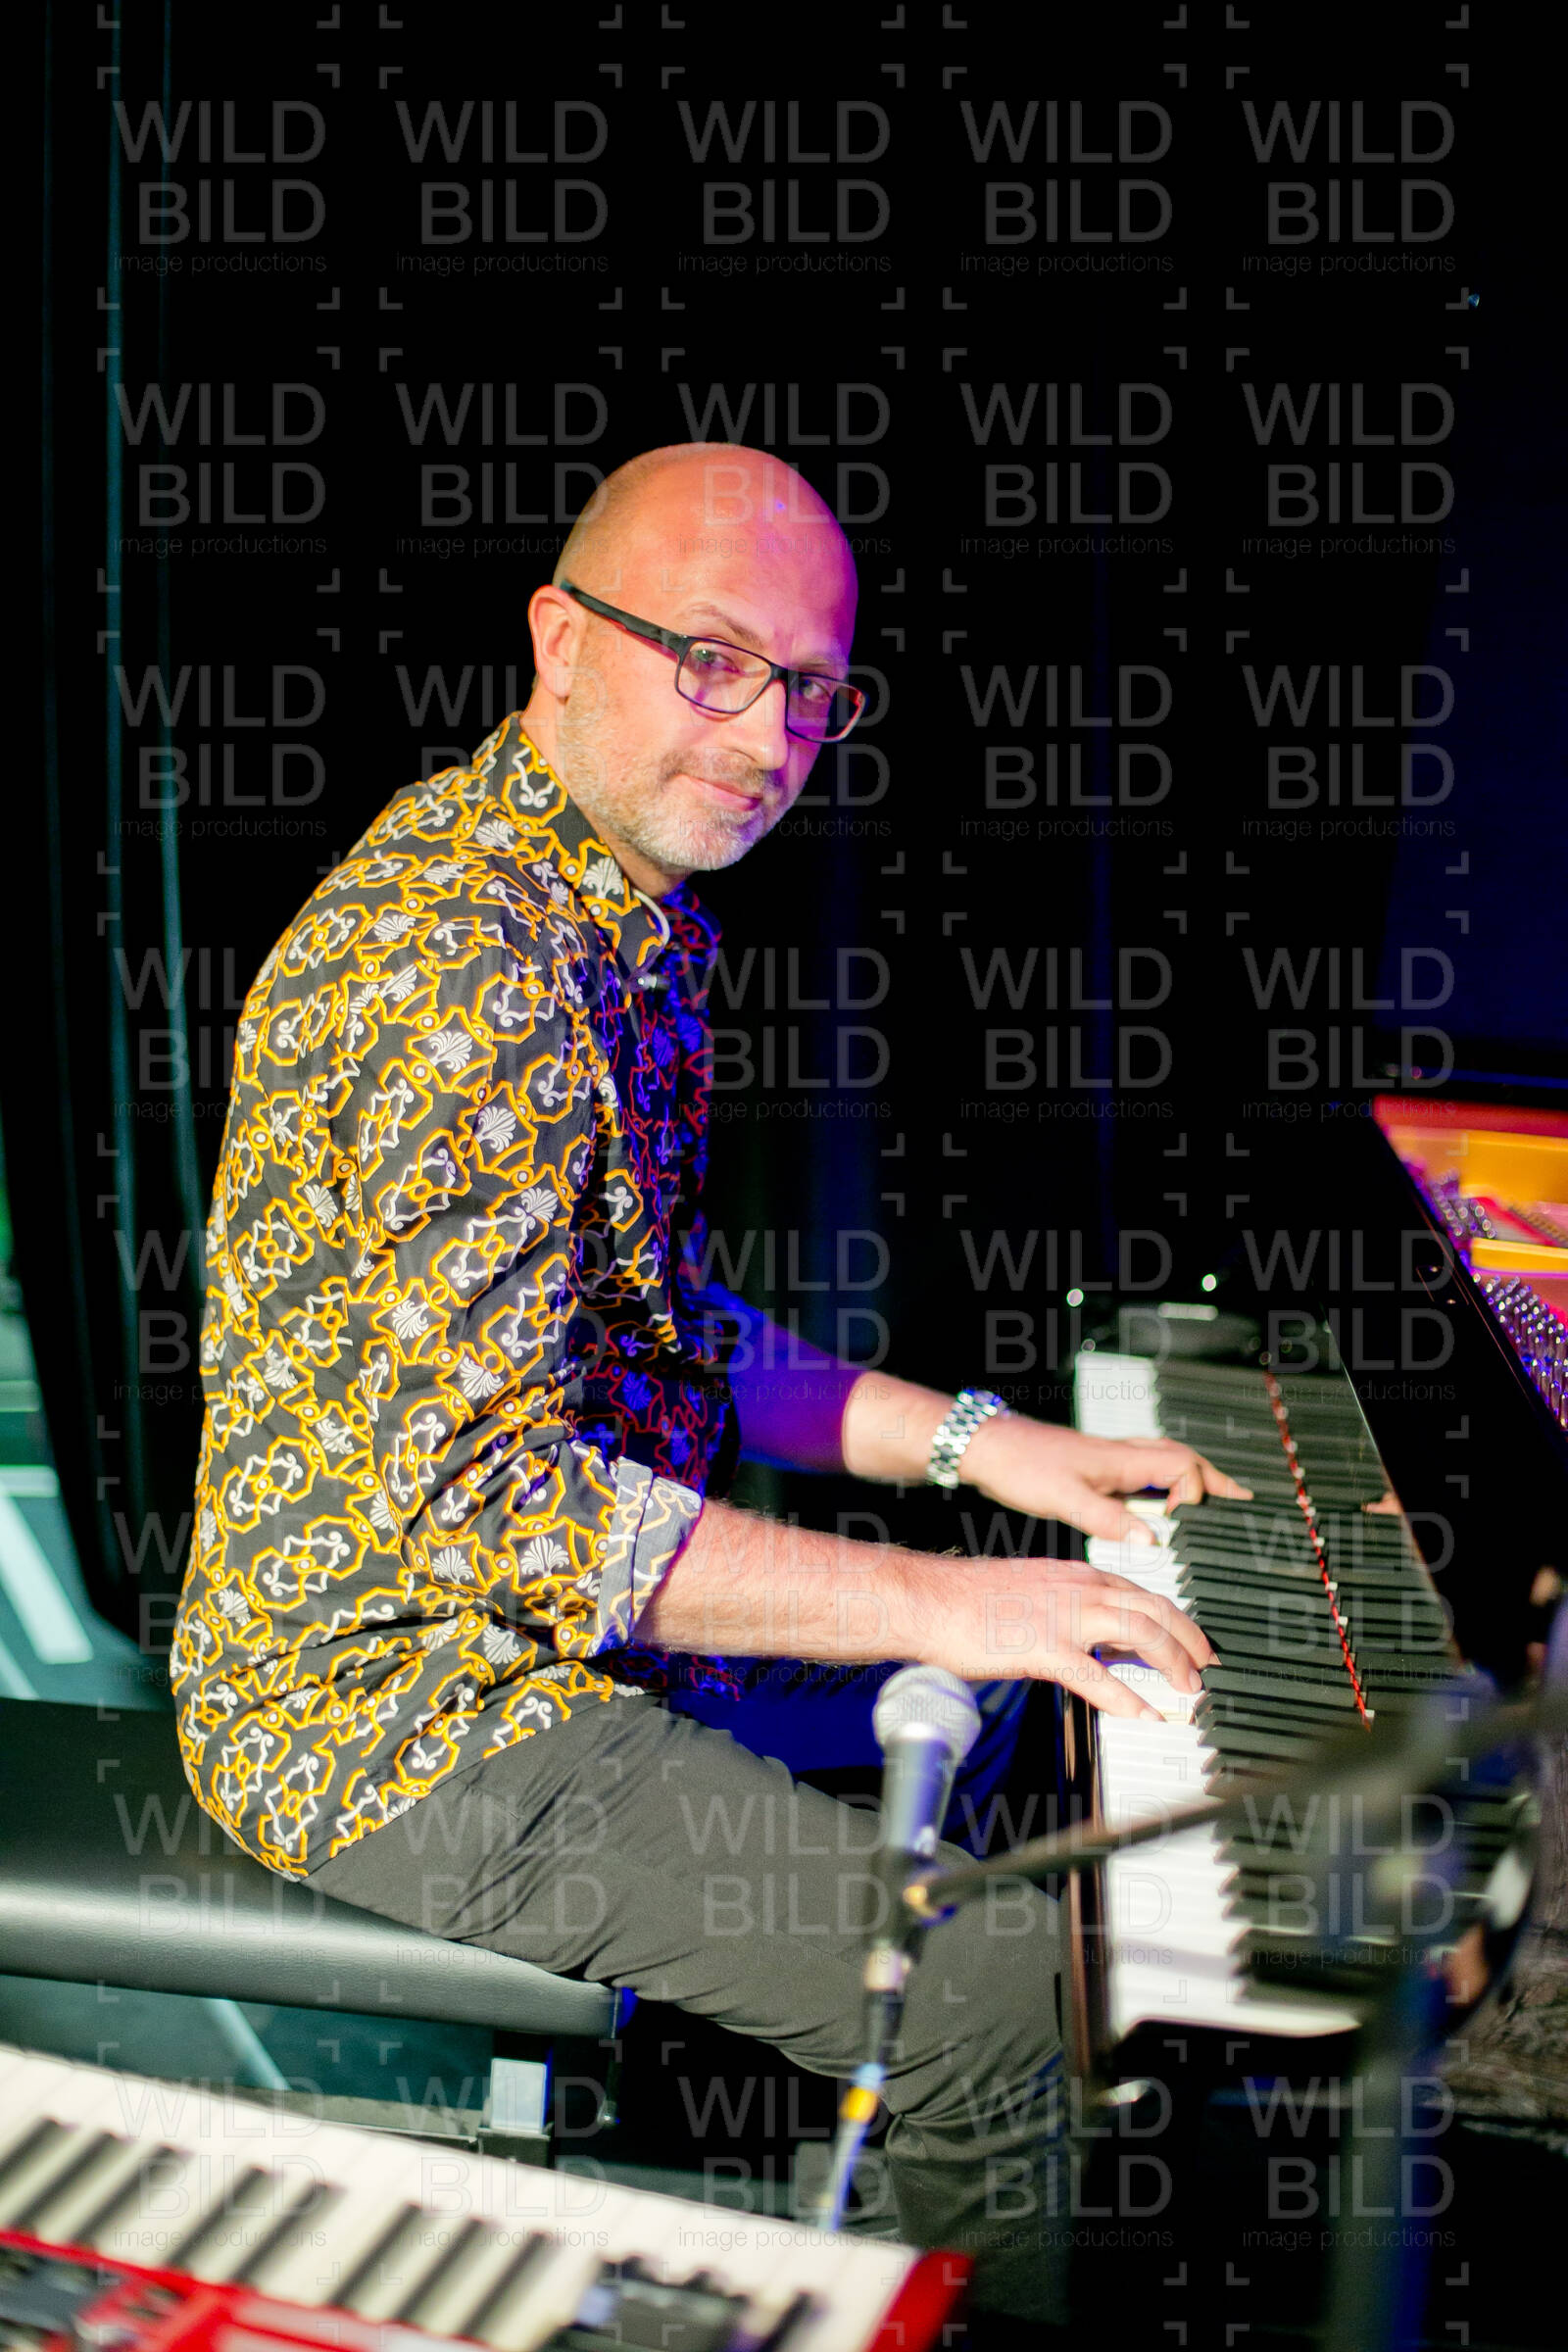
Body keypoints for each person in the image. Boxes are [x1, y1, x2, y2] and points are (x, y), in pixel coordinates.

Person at [171, 442, 1237, 2328]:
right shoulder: (459, 973)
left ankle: (872, 2216)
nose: (767, 738)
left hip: (552, 1634)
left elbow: (670, 1323)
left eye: (811, 689)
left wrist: (990, 1448)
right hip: (387, 1706)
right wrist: (948, 1598)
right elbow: (497, 1505)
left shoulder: (614, 901)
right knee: (1003, 1990)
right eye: (714, 661)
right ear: (560, 638)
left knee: (1002, 1730)